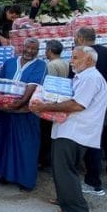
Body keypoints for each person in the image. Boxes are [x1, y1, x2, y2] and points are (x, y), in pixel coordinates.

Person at [31, 46, 107, 212]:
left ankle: (79, 211)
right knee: (62, 168)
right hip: (70, 130)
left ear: (88, 60)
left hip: (75, 131)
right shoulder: (85, 76)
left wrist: (44, 106)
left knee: (65, 169)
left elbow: (77, 105)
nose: (71, 61)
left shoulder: (91, 78)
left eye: (75, 58)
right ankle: (65, 199)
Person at [75, 27, 107, 196]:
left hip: (96, 107)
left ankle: (94, 183)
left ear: (81, 38)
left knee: (93, 144)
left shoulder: (83, 55)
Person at [0, 38, 47, 191]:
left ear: (38, 51)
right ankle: (5, 175)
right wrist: (0, 102)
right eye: (28, 48)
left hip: (25, 113)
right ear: (22, 47)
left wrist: (19, 103)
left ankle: (25, 180)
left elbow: (32, 87)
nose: (30, 51)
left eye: (34, 49)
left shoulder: (40, 65)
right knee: (5, 142)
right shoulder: (9, 62)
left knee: (26, 145)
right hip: (6, 112)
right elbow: (1, 83)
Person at [39, 39, 70, 168]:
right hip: (62, 99)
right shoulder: (65, 63)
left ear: (50, 51)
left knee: (46, 133)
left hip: (52, 101)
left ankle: (45, 160)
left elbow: (49, 85)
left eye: (46, 49)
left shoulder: (51, 65)